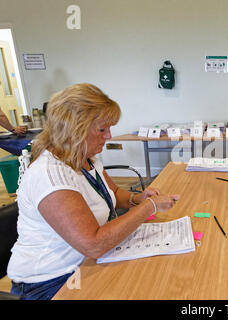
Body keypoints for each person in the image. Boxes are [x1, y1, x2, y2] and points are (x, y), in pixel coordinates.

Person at [7, 83, 180, 300]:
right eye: (102, 129)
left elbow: (113, 194)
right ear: (74, 129)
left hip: (85, 263)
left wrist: (137, 198)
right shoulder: (49, 175)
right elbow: (94, 244)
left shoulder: (86, 158)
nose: (109, 136)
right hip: (49, 281)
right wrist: (149, 207)